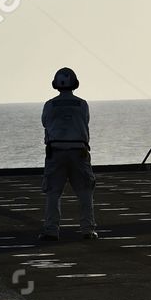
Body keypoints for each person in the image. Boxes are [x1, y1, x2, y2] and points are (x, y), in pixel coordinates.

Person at [41, 67, 97, 241]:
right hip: (79, 151)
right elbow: (86, 121)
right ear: (75, 84)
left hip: (55, 151)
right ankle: (87, 229)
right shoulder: (82, 104)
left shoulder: (49, 105)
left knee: (53, 192)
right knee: (85, 191)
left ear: (55, 84)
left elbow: (45, 123)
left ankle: (51, 230)